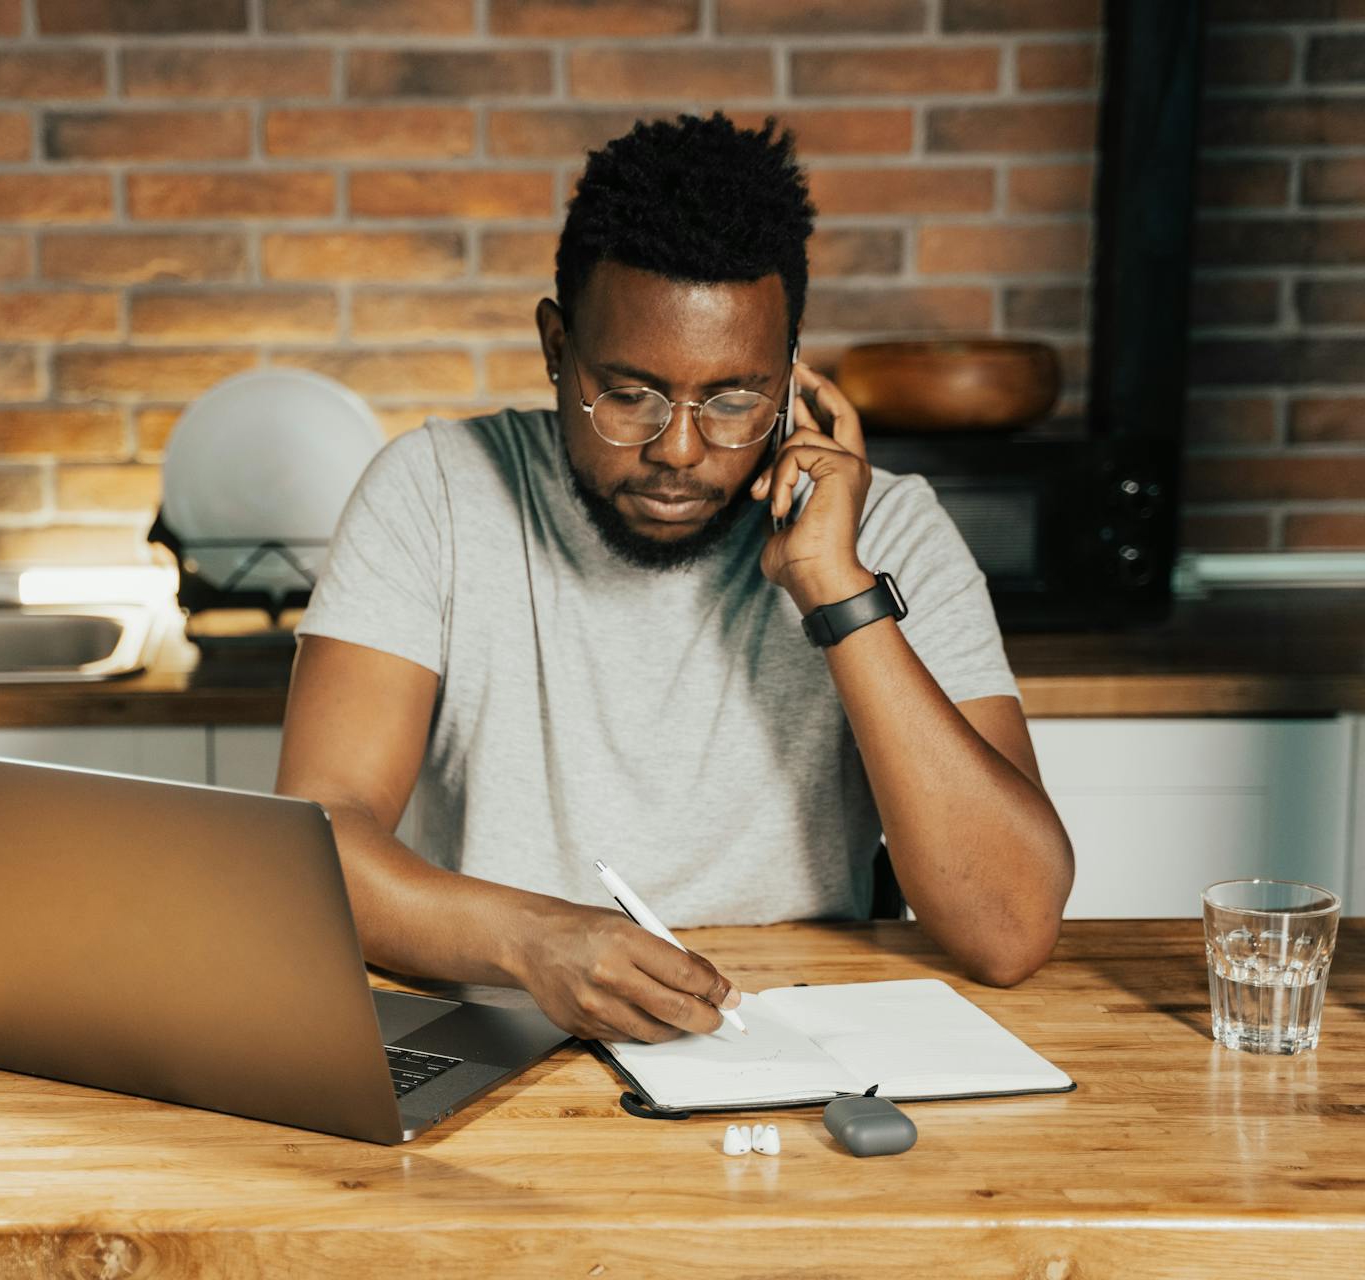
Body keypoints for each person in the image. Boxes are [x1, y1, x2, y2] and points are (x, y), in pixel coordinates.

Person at [277, 114, 1074, 1045]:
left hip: (795, 1043)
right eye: (628, 395)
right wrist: (534, 941)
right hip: (507, 1035)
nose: (681, 450)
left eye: (735, 400)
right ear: (554, 347)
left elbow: (1011, 929)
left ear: (791, 374)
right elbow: (315, 847)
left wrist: (835, 590)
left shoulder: (884, 527)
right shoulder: (437, 492)